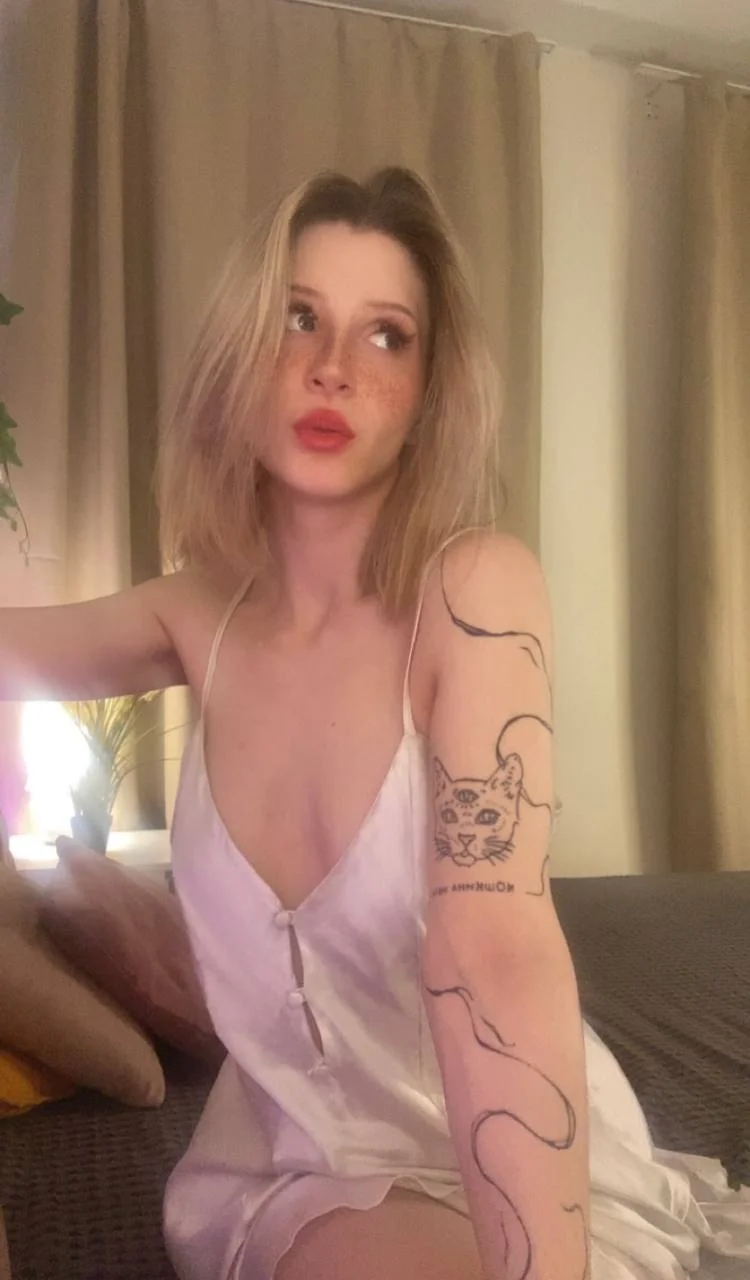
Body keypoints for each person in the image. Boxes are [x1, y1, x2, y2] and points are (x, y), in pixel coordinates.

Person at [1, 168, 747, 1280]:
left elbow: (495, 950)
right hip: (294, 1169)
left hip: (520, 1156)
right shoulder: (191, 614)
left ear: (429, 391)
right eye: (299, 317)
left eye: (386, 334)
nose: (334, 366)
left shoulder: (474, 590)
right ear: (241, 353)